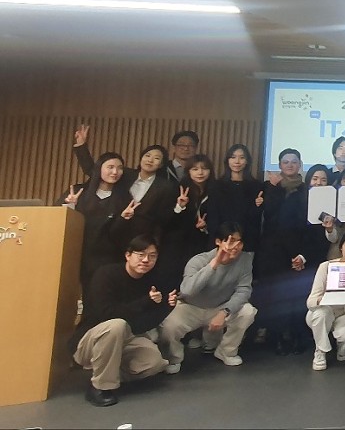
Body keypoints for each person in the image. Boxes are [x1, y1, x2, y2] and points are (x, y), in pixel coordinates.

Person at [68, 234, 175, 407]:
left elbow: (142, 325)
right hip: (90, 338)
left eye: (152, 256)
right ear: (128, 255)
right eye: (141, 254)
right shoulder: (105, 274)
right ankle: (99, 387)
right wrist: (145, 302)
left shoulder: (151, 281)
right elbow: (106, 314)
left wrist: (166, 307)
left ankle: (107, 374)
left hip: (125, 337)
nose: (146, 260)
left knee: (155, 363)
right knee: (117, 325)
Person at [159, 222, 257, 374]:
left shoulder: (245, 260)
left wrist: (224, 311)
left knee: (248, 312)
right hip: (191, 306)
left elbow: (244, 290)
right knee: (168, 326)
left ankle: (226, 351)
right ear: (218, 241)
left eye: (239, 242)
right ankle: (174, 358)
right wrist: (215, 263)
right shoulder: (199, 260)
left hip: (220, 306)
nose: (236, 246)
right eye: (231, 241)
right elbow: (187, 291)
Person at [72, 126, 178, 245]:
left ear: (161, 164)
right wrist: (81, 146)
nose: (150, 160)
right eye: (147, 156)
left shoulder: (166, 186)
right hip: (114, 232)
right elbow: (94, 171)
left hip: (141, 237)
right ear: (141, 158)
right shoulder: (125, 174)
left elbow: (162, 217)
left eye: (156, 158)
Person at [260, 148, 315, 355]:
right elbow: (269, 214)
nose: (290, 165)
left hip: (298, 248)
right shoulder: (270, 187)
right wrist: (274, 189)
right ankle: (276, 336)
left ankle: (297, 335)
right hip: (273, 250)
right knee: (275, 295)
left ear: (300, 164)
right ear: (280, 165)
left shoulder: (308, 190)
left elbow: (310, 224)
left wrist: (302, 253)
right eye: (285, 162)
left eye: (294, 161)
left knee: (296, 295)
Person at [63, 151, 132, 299]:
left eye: (120, 168)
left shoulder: (125, 198)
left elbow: (122, 233)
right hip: (80, 252)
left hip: (109, 257)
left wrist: (123, 218)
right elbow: (63, 222)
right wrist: (71, 205)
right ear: (99, 168)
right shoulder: (79, 192)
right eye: (110, 167)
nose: (115, 172)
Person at [305, 230, 345, 370]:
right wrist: (323, 299)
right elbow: (310, 302)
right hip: (322, 312)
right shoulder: (326, 266)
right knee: (321, 314)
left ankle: (342, 344)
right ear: (341, 247)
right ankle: (320, 351)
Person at [160, 154, 216, 285]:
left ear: (210, 171)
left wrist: (205, 227)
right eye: (195, 169)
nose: (200, 173)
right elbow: (166, 221)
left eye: (204, 168)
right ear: (188, 171)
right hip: (177, 243)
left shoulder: (216, 191)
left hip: (202, 244)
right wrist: (179, 206)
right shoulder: (178, 189)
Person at [208, 144, 263, 254]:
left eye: (242, 157)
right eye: (233, 157)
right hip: (222, 240)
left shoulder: (256, 186)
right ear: (227, 160)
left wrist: (258, 206)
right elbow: (213, 215)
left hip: (247, 241)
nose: (237, 161)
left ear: (247, 161)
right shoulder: (217, 185)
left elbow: (255, 219)